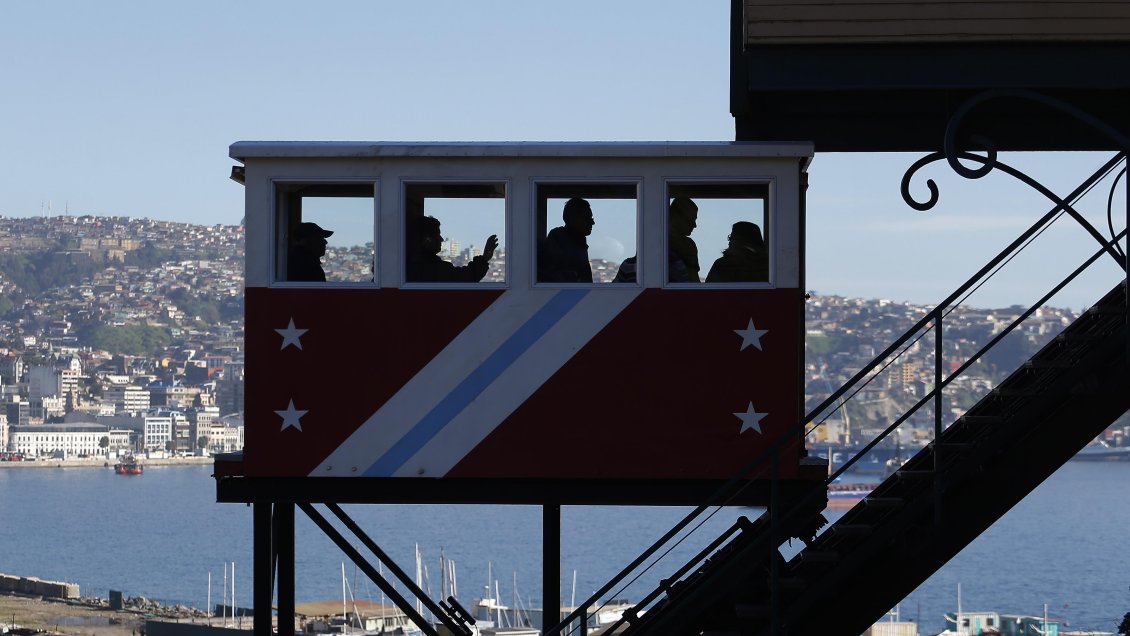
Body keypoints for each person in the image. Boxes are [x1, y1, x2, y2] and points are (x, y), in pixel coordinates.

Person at [406, 215, 498, 282]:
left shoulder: (406, 267)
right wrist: (485, 258)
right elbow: (466, 277)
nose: (441, 239)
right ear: (427, 239)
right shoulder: (437, 269)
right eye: (437, 235)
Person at [538, 197, 594, 282]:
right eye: (587, 218)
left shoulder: (577, 242)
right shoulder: (558, 240)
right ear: (573, 218)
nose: (592, 222)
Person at [668, 197, 700, 282]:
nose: (694, 225)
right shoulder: (688, 245)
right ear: (675, 216)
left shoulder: (651, 242)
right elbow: (693, 281)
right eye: (691, 219)